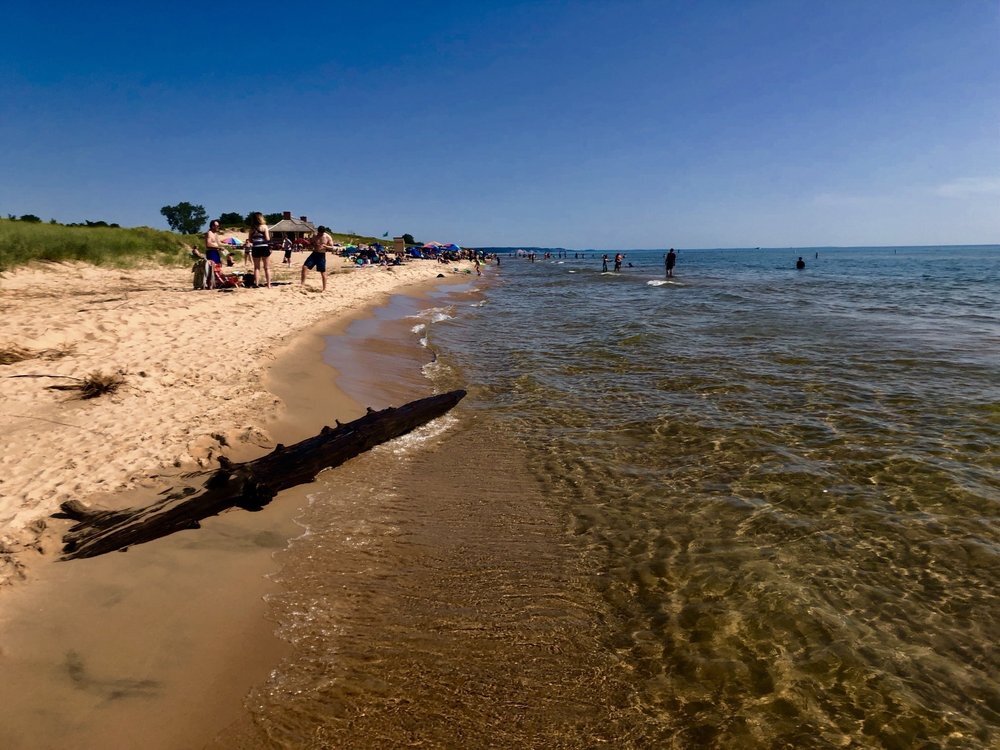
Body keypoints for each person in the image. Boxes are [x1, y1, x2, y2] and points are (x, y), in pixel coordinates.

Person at [302, 225, 334, 291]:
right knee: (305, 267)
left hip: (321, 255)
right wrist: (312, 245)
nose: (320, 234)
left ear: (323, 232)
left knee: (322, 272)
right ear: (318, 231)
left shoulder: (327, 237)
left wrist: (325, 246)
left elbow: (332, 247)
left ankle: (324, 289)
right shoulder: (314, 235)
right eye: (319, 233)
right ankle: (302, 284)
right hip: (314, 254)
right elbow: (310, 243)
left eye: (321, 233)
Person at [248, 213, 272, 287]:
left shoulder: (252, 228)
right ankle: (268, 284)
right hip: (264, 247)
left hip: (255, 248)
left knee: (256, 267)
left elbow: (250, 240)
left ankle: (257, 284)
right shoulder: (264, 227)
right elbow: (267, 238)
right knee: (266, 267)